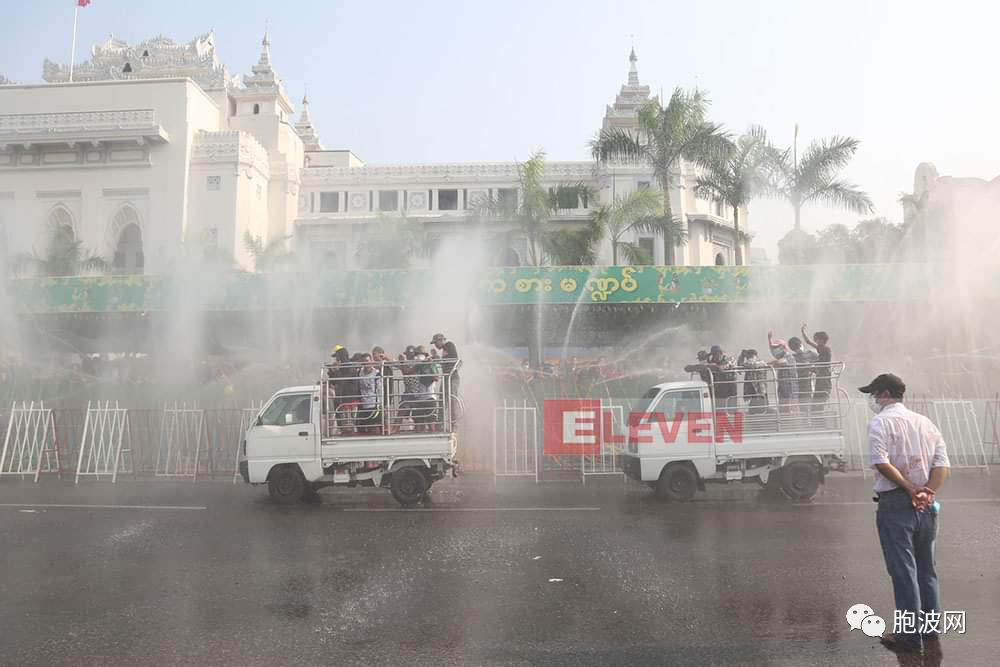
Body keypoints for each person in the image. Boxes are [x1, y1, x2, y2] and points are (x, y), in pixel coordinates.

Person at [861, 373, 950, 655]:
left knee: (903, 572)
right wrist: (927, 492)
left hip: (896, 504)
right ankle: (929, 629)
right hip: (926, 506)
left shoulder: (880, 422)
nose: (873, 400)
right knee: (927, 570)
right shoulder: (926, 423)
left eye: (874, 394)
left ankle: (909, 638)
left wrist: (911, 489)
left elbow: (880, 461)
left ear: (885, 393)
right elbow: (942, 464)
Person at [802, 324, 832, 409]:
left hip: (824, 378)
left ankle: (818, 416)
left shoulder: (825, 349)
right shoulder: (823, 348)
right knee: (817, 401)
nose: (815, 340)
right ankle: (817, 414)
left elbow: (822, 362)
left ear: (821, 340)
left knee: (819, 401)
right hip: (821, 377)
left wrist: (810, 363)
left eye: (816, 339)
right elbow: (808, 342)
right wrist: (803, 332)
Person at [788, 336, 818, 410]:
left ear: (801, 344)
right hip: (798, 383)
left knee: (809, 401)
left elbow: (821, 359)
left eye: (798, 346)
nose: (798, 349)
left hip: (808, 382)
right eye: (795, 348)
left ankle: (808, 417)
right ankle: (805, 418)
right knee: (802, 404)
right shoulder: (793, 357)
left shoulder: (810, 353)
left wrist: (812, 366)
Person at [736, 349, 769, 414]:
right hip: (754, 392)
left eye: (749, 356)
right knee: (753, 411)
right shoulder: (748, 363)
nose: (749, 358)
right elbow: (739, 369)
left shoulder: (760, 362)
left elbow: (753, 364)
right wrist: (741, 356)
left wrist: (744, 360)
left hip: (760, 391)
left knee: (762, 411)